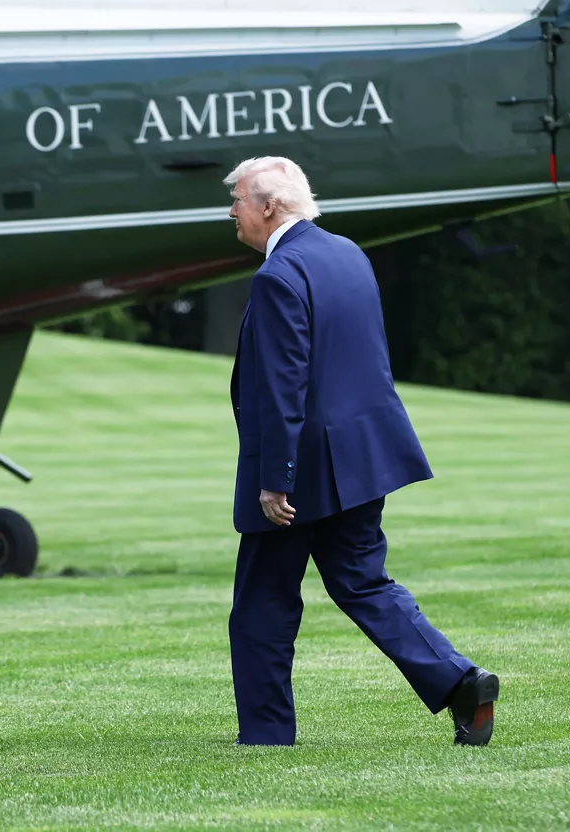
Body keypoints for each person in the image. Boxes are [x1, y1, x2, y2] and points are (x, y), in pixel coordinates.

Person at [223, 156, 499, 747]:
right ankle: (461, 683)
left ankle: (267, 736)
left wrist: (277, 479)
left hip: (302, 474)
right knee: (364, 584)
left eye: (239, 201)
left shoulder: (278, 275)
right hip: (361, 461)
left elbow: (282, 385)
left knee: (261, 604)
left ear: (268, 207)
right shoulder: (348, 253)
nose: (232, 212)